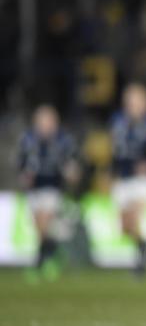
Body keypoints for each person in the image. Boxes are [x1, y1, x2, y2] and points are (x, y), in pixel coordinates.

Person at [110, 83, 146, 277]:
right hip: (124, 178)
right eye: (130, 101)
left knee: (135, 216)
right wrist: (111, 172)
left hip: (144, 180)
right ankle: (145, 245)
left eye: (137, 101)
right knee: (125, 227)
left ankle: (141, 262)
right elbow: (116, 152)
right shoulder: (118, 121)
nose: (133, 105)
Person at [18, 105, 78, 280]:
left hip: (53, 187)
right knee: (40, 229)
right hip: (35, 188)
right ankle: (54, 255)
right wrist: (24, 174)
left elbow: (72, 163)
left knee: (44, 223)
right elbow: (22, 162)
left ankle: (39, 264)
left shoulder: (64, 140)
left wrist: (71, 172)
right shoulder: (28, 139)